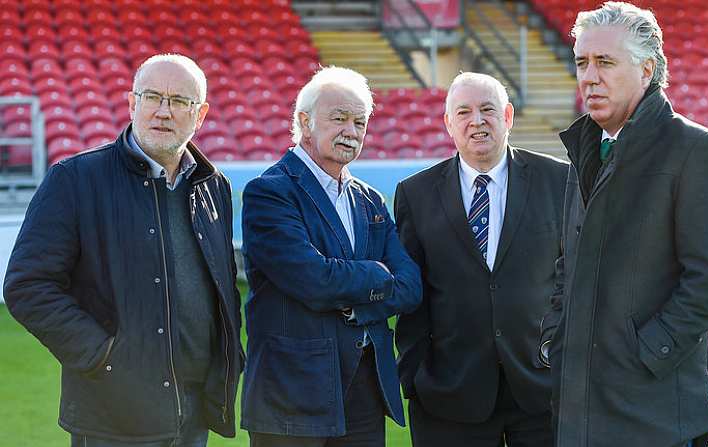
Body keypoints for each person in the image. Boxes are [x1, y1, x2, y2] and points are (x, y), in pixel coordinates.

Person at [3, 54, 243, 446]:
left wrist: (232, 358)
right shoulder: (75, 180)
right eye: (152, 97)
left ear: (199, 116)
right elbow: (27, 286)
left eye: (179, 101)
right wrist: (102, 355)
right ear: (132, 104)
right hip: (112, 414)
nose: (163, 111)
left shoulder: (213, 186)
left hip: (195, 411)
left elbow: (223, 285)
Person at [539, 3, 708, 447]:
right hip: (579, 413)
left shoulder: (698, 151)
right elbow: (566, 264)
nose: (589, 76)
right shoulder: (585, 149)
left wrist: (644, 354)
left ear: (647, 69)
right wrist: (556, 336)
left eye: (605, 62)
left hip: (656, 417)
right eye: (581, 62)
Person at [240, 66, 422, 447]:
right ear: (305, 122)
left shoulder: (370, 198)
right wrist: (375, 274)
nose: (351, 131)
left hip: (365, 394)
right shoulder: (269, 193)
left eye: (360, 122)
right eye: (339, 119)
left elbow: (410, 286)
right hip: (293, 393)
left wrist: (359, 308)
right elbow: (314, 280)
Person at [393, 72, 568, 447]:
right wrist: (415, 374)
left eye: (488, 109)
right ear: (449, 123)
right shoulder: (415, 194)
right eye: (464, 112)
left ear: (507, 116)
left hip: (544, 389)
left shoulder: (559, 181)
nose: (477, 121)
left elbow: (573, 276)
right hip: (448, 394)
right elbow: (412, 291)